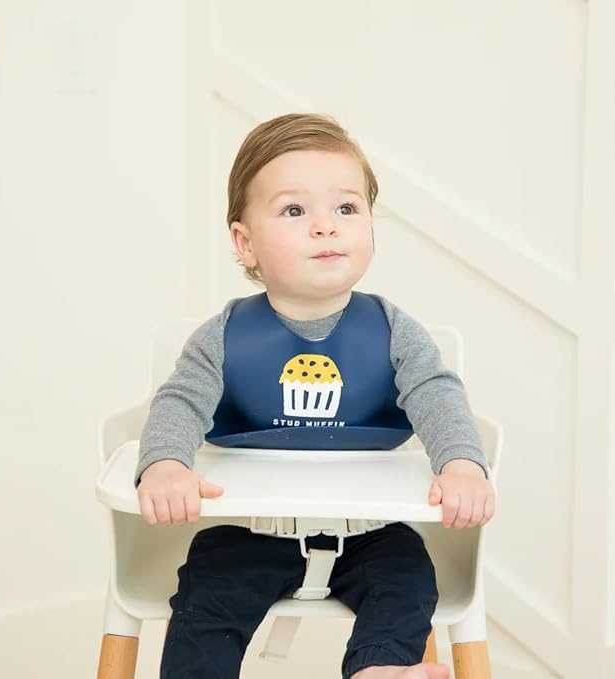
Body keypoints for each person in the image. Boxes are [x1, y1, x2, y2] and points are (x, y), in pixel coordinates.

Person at [135, 112, 496, 679]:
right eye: (294, 210)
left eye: (346, 208)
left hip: (368, 532)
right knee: (206, 590)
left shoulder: (395, 331)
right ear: (245, 243)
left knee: (407, 576)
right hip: (252, 530)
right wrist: (165, 465)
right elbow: (179, 401)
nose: (326, 227)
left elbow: (436, 394)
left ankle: (379, 670)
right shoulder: (222, 337)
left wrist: (462, 465)